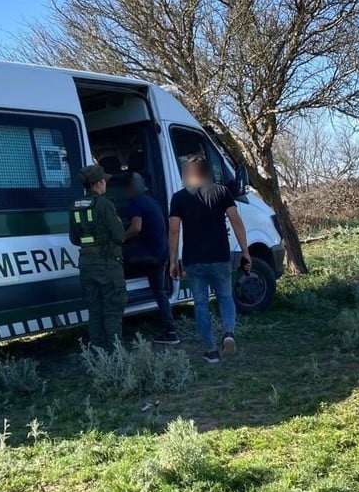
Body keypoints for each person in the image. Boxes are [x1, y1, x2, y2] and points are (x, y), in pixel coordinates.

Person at [168, 155, 252, 364]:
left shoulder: (178, 198)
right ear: (207, 173)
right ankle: (229, 333)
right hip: (220, 256)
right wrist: (245, 251)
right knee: (225, 297)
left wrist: (172, 260)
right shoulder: (222, 192)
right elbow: (236, 221)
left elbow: (174, 230)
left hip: (194, 259)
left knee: (201, 303)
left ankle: (211, 349)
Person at [69, 164, 127, 350]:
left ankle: (98, 355)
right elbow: (120, 236)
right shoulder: (104, 204)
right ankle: (115, 357)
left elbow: (74, 238)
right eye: (104, 182)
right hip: (107, 264)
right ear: (99, 183)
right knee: (112, 311)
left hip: (86, 264)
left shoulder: (76, 206)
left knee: (94, 312)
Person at [122, 172, 180, 345]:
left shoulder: (136, 203)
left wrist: (119, 240)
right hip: (160, 253)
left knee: (116, 262)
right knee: (159, 292)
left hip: (146, 255)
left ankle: (117, 321)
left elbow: (136, 228)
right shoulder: (152, 201)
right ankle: (170, 332)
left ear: (132, 189)